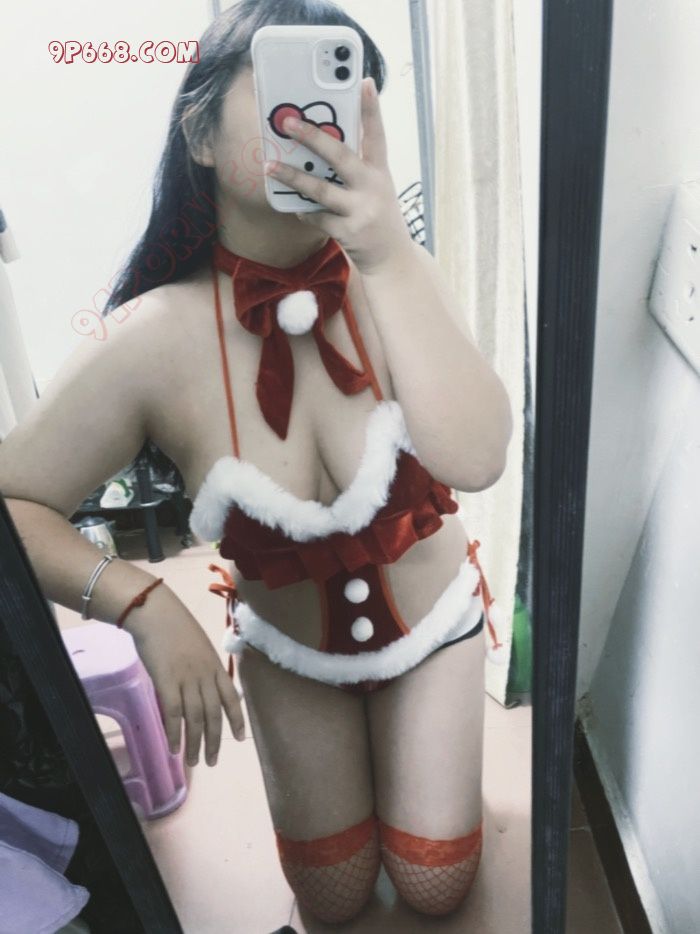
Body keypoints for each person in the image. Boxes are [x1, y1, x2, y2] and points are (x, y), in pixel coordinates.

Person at [0, 1, 513, 924]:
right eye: (284, 95)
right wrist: (141, 603)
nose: (317, 126)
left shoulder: (400, 275)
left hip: (433, 628)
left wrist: (388, 255)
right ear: (199, 135)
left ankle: (428, 771)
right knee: (334, 896)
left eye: (342, 102)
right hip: (289, 651)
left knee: (434, 884)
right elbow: (13, 500)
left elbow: (477, 460)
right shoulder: (148, 339)